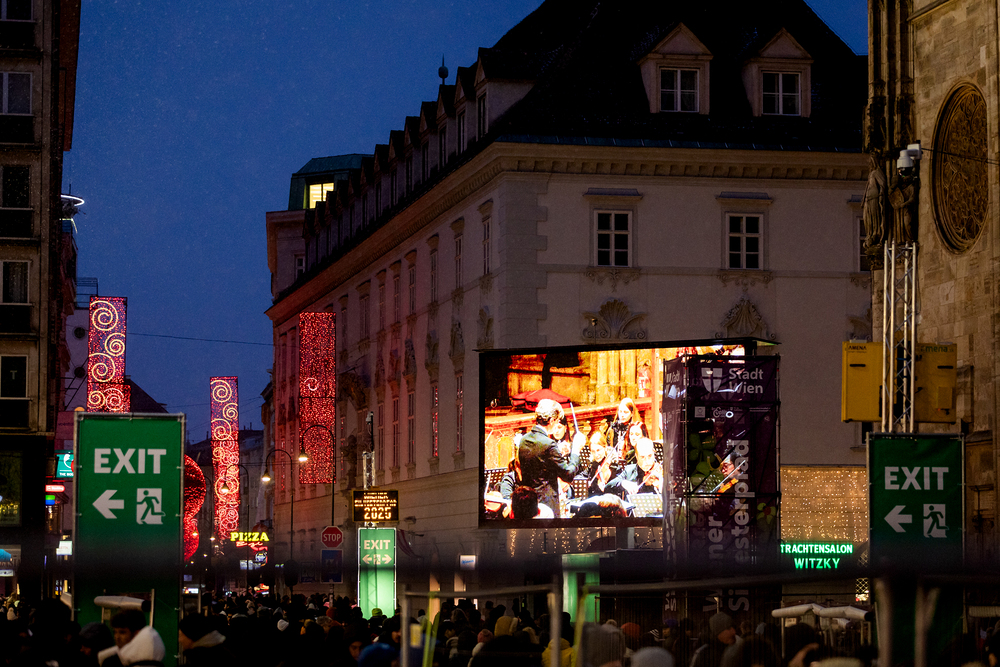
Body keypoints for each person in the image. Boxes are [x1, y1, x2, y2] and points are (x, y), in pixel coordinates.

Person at [517, 398, 585, 513]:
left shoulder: (524, 440)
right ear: (552, 420)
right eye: (557, 421)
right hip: (546, 506)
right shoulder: (549, 444)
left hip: (529, 504)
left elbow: (540, 462)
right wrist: (575, 451)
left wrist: (557, 453)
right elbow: (568, 475)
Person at [98, 609, 165, 667]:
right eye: (115, 632)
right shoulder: (110, 660)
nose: (117, 637)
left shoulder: (113, 662)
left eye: (122, 632)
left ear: (137, 633)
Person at [605, 398, 646, 466]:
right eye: (620, 411)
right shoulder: (613, 428)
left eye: (626, 412)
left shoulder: (637, 428)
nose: (622, 415)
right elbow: (608, 447)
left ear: (632, 413)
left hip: (631, 463)